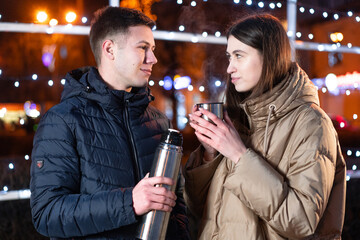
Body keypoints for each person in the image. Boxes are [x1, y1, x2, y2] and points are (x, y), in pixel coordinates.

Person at [30, 6, 189, 239]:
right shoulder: (63, 120)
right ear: (110, 49)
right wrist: (129, 203)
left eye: (152, 49)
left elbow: (177, 204)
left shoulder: (158, 121)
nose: (153, 58)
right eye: (143, 48)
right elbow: (47, 214)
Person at [185, 14, 346, 240]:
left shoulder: (312, 123)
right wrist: (209, 155)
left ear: (269, 57)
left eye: (239, 56)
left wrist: (239, 155)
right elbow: (196, 208)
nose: (230, 67)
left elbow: (302, 222)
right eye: (229, 57)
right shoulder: (238, 118)